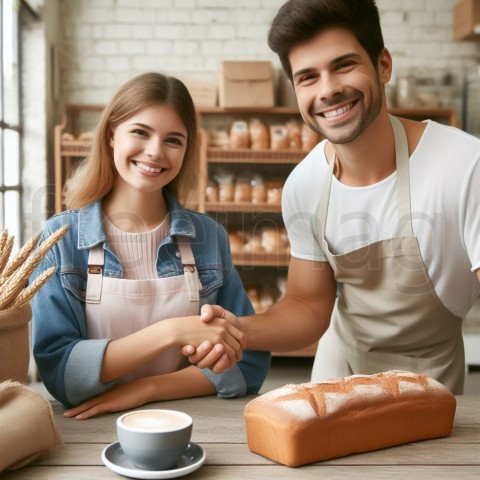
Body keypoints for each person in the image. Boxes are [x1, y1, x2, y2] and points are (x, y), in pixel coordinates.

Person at [184, 0, 480, 394]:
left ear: (383, 65)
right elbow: (308, 306)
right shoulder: (305, 185)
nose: (328, 90)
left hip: (431, 379)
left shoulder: (463, 165)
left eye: (344, 65)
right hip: (337, 371)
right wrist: (236, 330)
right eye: (308, 77)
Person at [31, 72, 270, 418]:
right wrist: (171, 331)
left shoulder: (208, 238)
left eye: (173, 140)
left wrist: (146, 389)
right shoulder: (62, 239)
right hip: (90, 433)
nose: (155, 152)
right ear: (112, 135)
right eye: (141, 132)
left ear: (187, 149)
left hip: (190, 424)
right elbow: (63, 375)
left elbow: (247, 363)